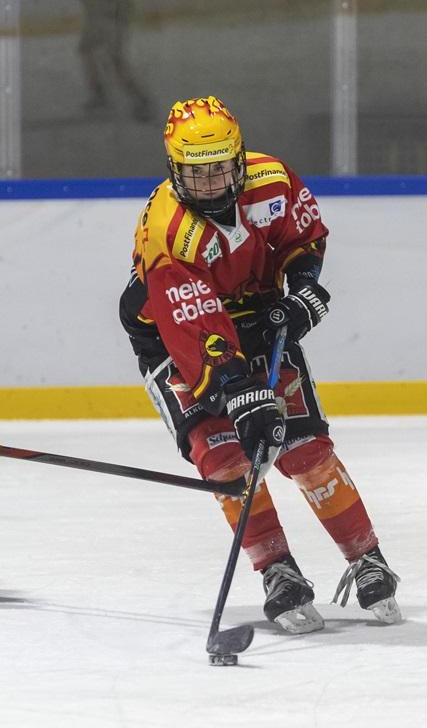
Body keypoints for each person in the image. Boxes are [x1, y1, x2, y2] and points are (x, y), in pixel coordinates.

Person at [118, 96, 402, 633]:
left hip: (256, 315)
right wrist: (237, 389)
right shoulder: (166, 230)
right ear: (174, 168)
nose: (210, 184)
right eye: (196, 173)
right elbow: (195, 324)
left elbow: (302, 239)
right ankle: (277, 570)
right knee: (226, 458)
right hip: (172, 333)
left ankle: (368, 558)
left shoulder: (272, 180)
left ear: (239, 158)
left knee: (304, 447)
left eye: (220, 169)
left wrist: (302, 290)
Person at [71, 0, 153, 121]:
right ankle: (100, 93)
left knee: (115, 61)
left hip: (109, 15)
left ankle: (141, 99)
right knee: (87, 50)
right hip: (99, 15)